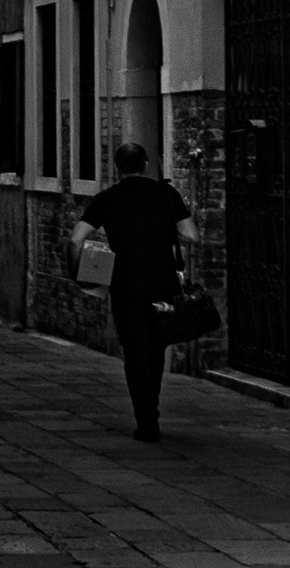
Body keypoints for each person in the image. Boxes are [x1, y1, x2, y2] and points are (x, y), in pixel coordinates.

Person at [70, 142, 200, 443]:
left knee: (134, 351)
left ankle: (146, 420)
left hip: (125, 285)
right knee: (155, 349)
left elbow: (76, 239)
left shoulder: (106, 199)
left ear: (118, 168)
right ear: (146, 164)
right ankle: (151, 409)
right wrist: (164, 231)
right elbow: (192, 235)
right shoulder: (166, 194)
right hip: (163, 285)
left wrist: (82, 276)